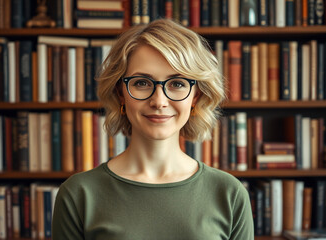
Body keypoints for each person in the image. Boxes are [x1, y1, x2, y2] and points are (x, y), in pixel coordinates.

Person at [52, 19, 254, 240]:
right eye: (141, 83)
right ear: (121, 93)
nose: (159, 101)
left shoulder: (229, 194)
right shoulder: (79, 194)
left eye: (177, 84)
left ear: (195, 97)